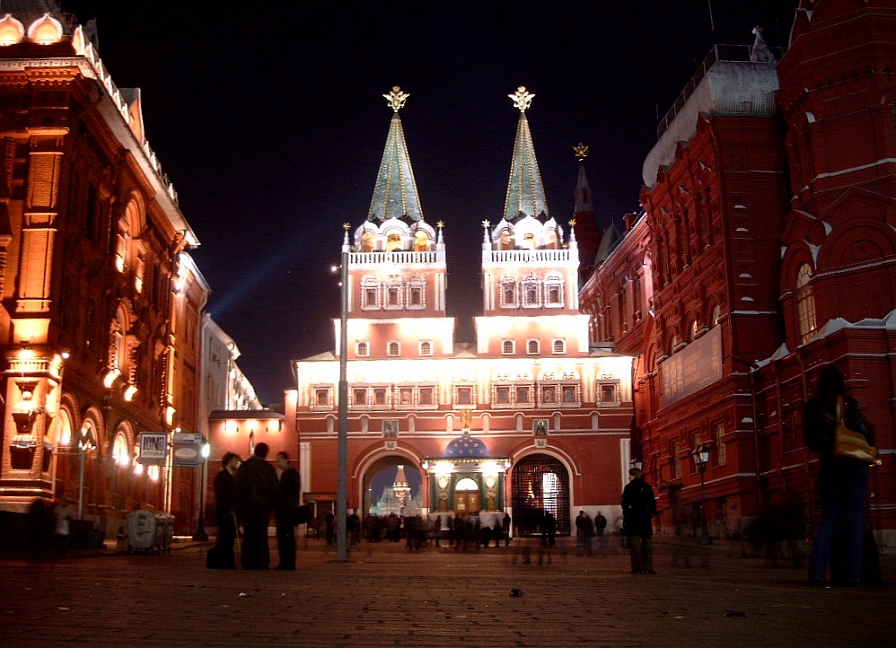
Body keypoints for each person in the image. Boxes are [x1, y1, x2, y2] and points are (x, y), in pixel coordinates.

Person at [805, 367, 875, 586]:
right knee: (855, 521)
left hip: (831, 468)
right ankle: (853, 576)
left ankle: (817, 574)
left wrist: (828, 444)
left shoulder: (813, 408)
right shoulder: (849, 404)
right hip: (856, 466)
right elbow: (869, 434)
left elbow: (812, 443)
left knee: (828, 522)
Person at [235, 442, 280, 570]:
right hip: (264, 507)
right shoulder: (269, 469)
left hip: (248, 506)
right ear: (266, 453)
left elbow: (238, 486)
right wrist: (272, 505)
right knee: (261, 534)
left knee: (249, 533)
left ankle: (247, 561)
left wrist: (240, 504)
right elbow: (275, 489)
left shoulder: (245, 466)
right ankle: (262, 562)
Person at [622, 468, 656, 574]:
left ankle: (637, 567)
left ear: (633, 475)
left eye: (629, 475)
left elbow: (625, 504)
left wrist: (627, 515)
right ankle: (648, 567)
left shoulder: (629, 487)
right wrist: (649, 514)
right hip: (645, 518)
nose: (628, 477)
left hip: (633, 519)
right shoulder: (647, 487)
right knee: (647, 543)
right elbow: (652, 503)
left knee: (635, 544)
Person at [213, 452, 241, 569]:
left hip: (230, 512)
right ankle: (225, 562)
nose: (236, 462)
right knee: (226, 537)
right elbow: (221, 496)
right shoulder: (222, 477)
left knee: (229, 538)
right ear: (229, 461)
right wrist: (229, 508)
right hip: (225, 513)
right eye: (235, 460)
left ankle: (227, 562)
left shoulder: (232, 477)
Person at [274, 451, 300, 570]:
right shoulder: (284, 474)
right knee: (283, 537)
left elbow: (292, 493)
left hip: (287, 511)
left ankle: (289, 562)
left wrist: (283, 503)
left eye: (279, 459)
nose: (277, 462)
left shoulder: (292, 474)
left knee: (287, 537)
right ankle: (285, 561)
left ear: (285, 460)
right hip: (283, 510)